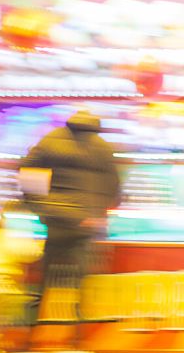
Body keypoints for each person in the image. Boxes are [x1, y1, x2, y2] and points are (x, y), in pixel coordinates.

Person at [19, 110, 120, 321]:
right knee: (82, 277)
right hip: (87, 222)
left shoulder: (49, 140)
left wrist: (42, 207)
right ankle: (78, 328)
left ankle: (38, 325)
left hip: (57, 221)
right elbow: (113, 186)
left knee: (49, 277)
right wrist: (99, 212)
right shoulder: (103, 147)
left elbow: (28, 175)